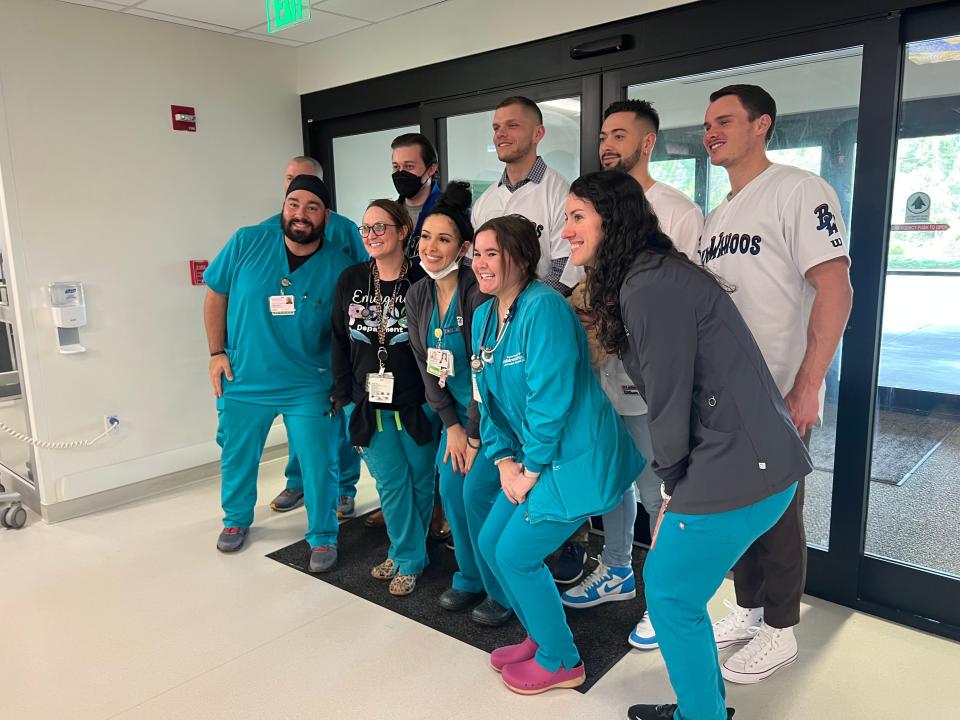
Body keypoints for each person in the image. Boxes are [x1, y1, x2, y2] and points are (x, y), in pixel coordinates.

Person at [563, 169, 811, 720]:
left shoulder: (650, 285)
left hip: (743, 463)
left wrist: (672, 480)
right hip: (748, 456)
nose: (567, 232)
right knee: (675, 590)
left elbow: (668, 396)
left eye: (578, 218)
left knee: (671, 593)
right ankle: (704, 711)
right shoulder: (647, 275)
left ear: (613, 219)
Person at [699, 84, 852, 684]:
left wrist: (810, 383)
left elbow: (835, 289)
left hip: (780, 390)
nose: (712, 131)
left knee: (780, 511)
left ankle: (781, 628)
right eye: (708, 123)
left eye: (726, 121)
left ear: (762, 125)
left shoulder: (798, 190)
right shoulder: (718, 214)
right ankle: (747, 607)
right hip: (725, 394)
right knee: (741, 508)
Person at [471, 215, 644, 695]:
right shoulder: (486, 316)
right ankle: (539, 634)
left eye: (492, 253)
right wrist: (504, 460)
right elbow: (484, 394)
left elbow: (551, 400)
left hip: (571, 460)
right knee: (491, 545)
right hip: (528, 459)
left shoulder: (544, 308)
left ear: (522, 259)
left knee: (516, 554)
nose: (481, 263)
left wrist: (526, 470)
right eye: (478, 253)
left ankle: (562, 659)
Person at [560, 100, 705, 652]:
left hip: (649, 384)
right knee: (612, 480)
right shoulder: (593, 208)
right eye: (602, 136)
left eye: (619, 135)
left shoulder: (676, 210)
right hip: (603, 375)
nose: (606, 145)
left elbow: (676, 302)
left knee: (657, 490)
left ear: (648, 142)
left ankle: (661, 598)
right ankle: (618, 570)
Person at [204, 175, 351, 574]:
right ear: (283, 207)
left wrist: (342, 382)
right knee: (237, 456)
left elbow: (346, 332)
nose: (300, 214)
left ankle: (323, 535)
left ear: (326, 216)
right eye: (294, 204)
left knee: (320, 462)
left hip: (309, 382)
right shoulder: (247, 242)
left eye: (312, 207)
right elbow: (215, 293)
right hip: (245, 376)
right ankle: (235, 518)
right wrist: (216, 351)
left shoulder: (340, 265)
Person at [407, 181, 513, 626]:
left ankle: (502, 590)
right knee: (450, 491)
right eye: (426, 237)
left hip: (494, 416)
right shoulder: (417, 296)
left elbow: (485, 371)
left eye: (444, 239)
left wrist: (471, 433)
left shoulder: (479, 294)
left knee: (475, 494)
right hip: (456, 419)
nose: (432, 247)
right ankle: (468, 576)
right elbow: (426, 367)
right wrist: (449, 425)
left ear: (465, 248)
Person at [330, 199, 436, 596]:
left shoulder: (423, 281)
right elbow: (339, 340)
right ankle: (409, 555)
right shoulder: (351, 279)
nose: (371, 236)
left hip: (417, 401)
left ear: (402, 231)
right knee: (390, 482)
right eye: (366, 228)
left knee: (422, 481)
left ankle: (408, 551)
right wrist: (344, 394)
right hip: (367, 402)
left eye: (380, 228)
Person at [261, 156, 366, 519]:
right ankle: (298, 483)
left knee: (339, 423)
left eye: (307, 181)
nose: (298, 186)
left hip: (331, 347)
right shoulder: (270, 230)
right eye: (291, 180)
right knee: (300, 426)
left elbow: (360, 280)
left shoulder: (345, 229)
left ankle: (344, 488)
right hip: (288, 351)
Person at [470, 96, 583, 296]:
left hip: (541, 313)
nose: (500, 134)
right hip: (493, 315)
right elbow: (477, 265)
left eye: (512, 125)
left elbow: (565, 271)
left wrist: (521, 306)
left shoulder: (561, 195)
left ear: (538, 133)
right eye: (496, 128)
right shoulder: (484, 202)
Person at [392, 133, 442, 259]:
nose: (401, 172)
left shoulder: (449, 211)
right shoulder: (389, 214)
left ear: (431, 169)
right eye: (396, 166)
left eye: (409, 166)